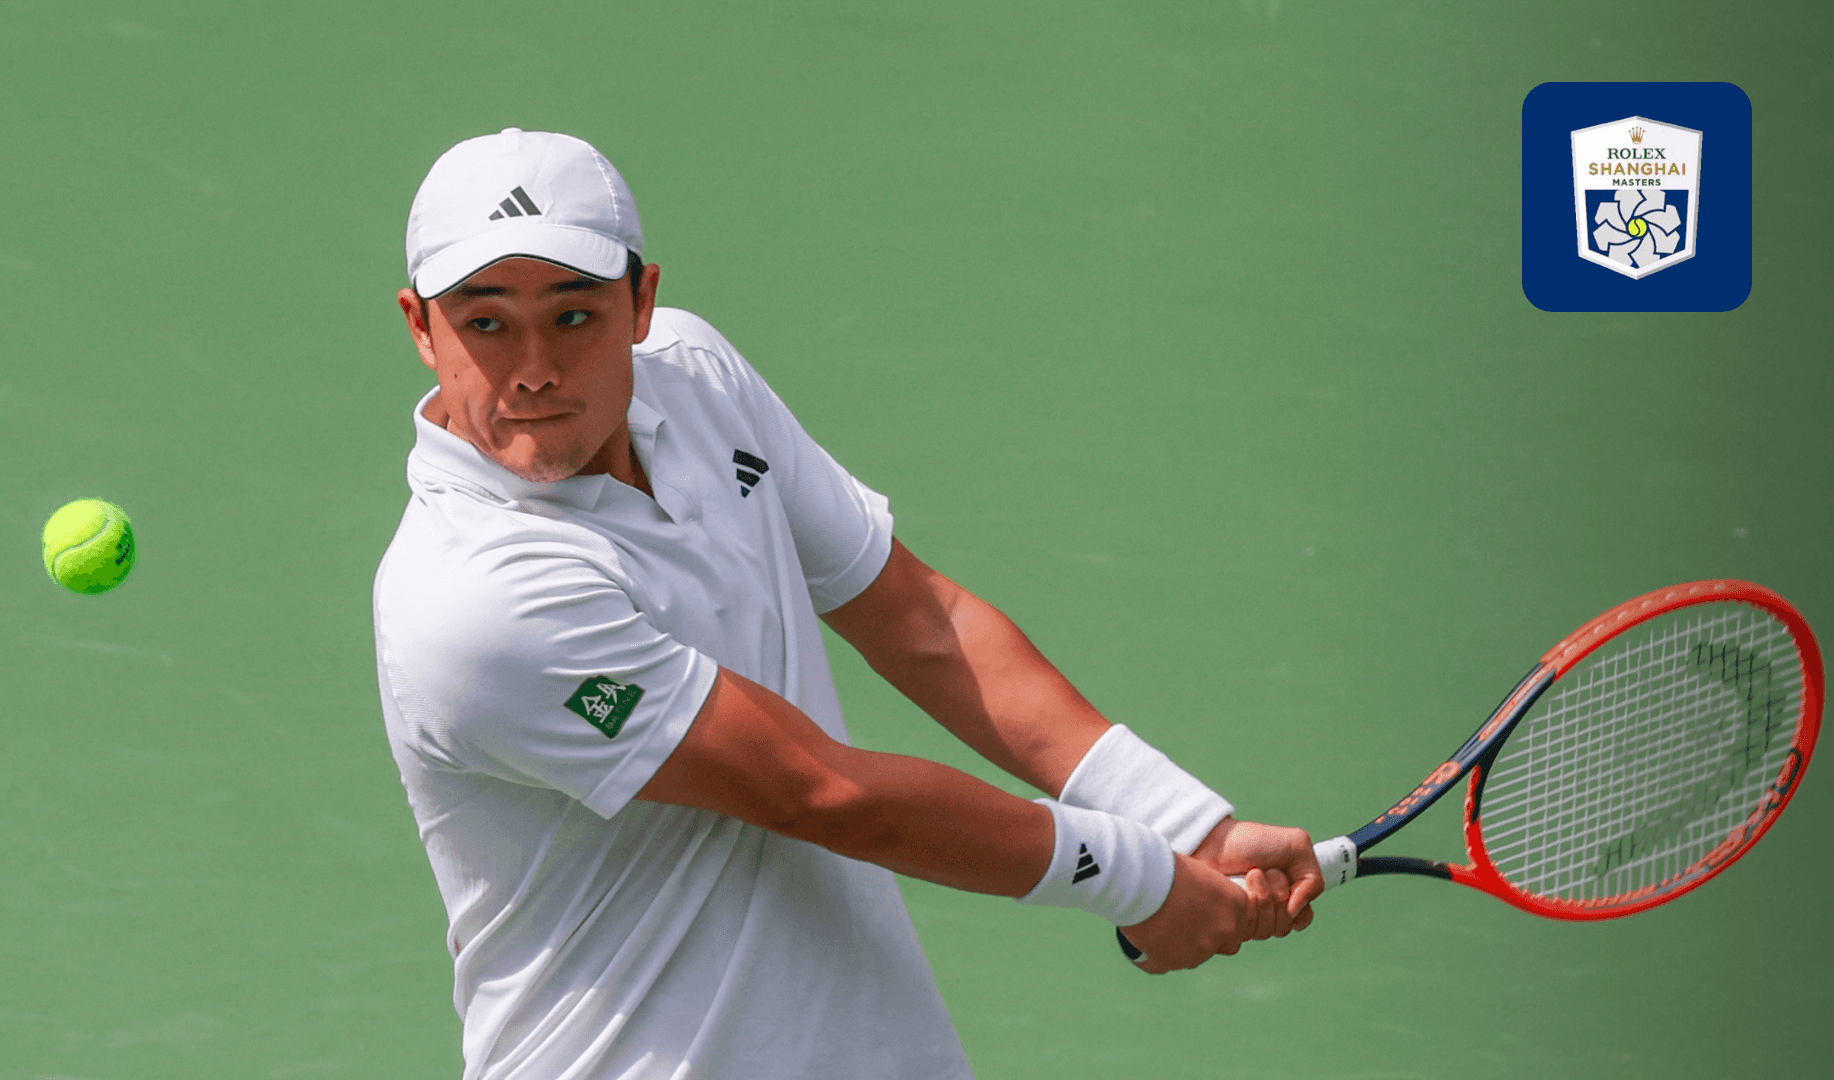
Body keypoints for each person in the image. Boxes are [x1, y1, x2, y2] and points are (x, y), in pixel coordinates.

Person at [373, 128, 1325, 1080]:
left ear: (642, 306)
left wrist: (1183, 822)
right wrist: (1143, 880)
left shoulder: (699, 380)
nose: (533, 370)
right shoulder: (474, 601)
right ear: (422, 328)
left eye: (574, 316)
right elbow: (821, 795)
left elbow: (922, 624)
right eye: (486, 324)